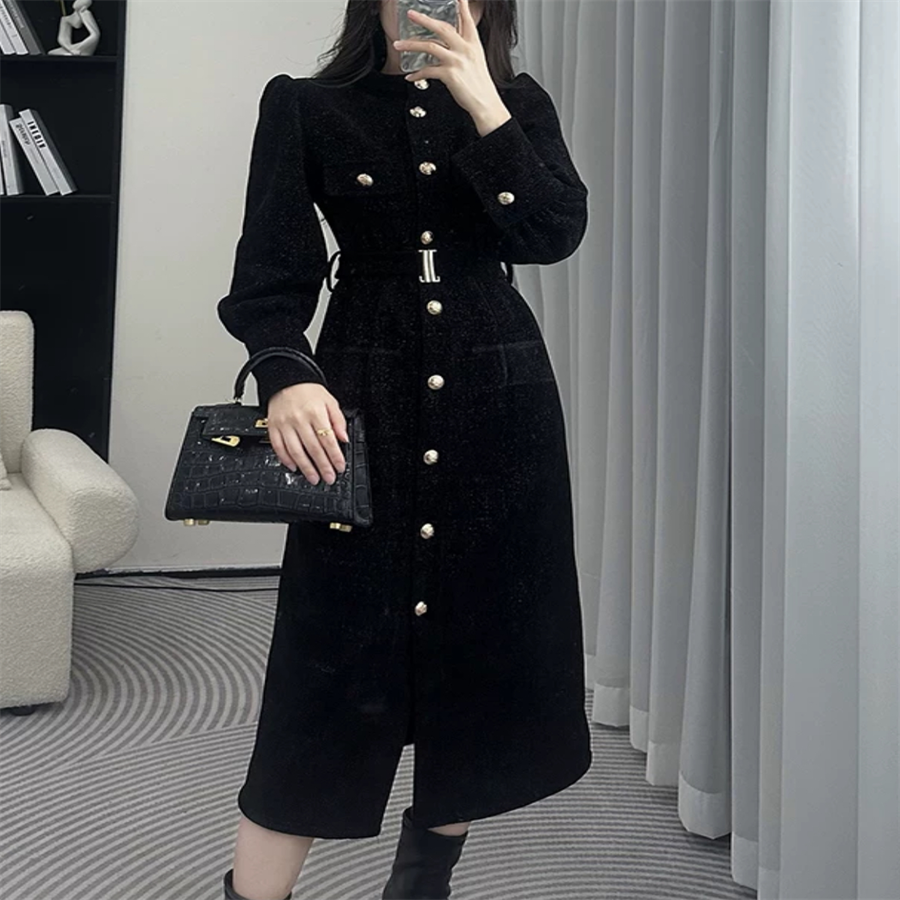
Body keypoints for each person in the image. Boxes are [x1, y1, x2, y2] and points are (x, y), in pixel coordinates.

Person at [216, 1, 592, 898]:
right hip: (362, 392)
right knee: (326, 668)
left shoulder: (518, 104)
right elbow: (267, 279)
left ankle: (423, 886)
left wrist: (483, 104)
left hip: (498, 403)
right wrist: (285, 374)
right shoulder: (306, 105)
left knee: (479, 650)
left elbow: (552, 233)